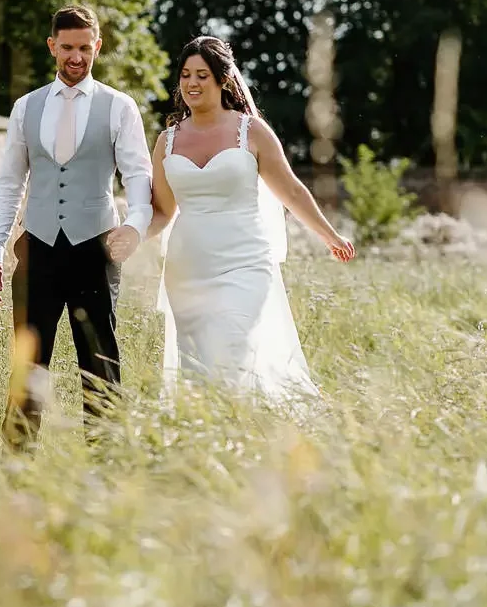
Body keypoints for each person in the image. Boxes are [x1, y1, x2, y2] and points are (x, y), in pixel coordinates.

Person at [0, 4, 154, 448]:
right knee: (28, 359)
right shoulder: (26, 107)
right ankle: (18, 458)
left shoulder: (119, 107)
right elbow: (10, 181)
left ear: (97, 47)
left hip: (95, 249)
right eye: (67, 48)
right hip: (36, 248)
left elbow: (138, 176)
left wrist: (134, 226)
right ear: (52, 47)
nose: (75, 57)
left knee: (99, 360)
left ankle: (105, 458)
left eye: (84, 48)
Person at [147, 36, 354, 402]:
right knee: (198, 368)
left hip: (245, 262)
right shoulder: (168, 140)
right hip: (187, 269)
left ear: (223, 80)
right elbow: (162, 210)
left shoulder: (251, 131)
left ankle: (261, 429)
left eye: (202, 75)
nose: (192, 83)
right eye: (185, 75)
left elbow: (290, 190)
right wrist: (121, 239)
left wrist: (330, 236)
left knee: (236, 347)